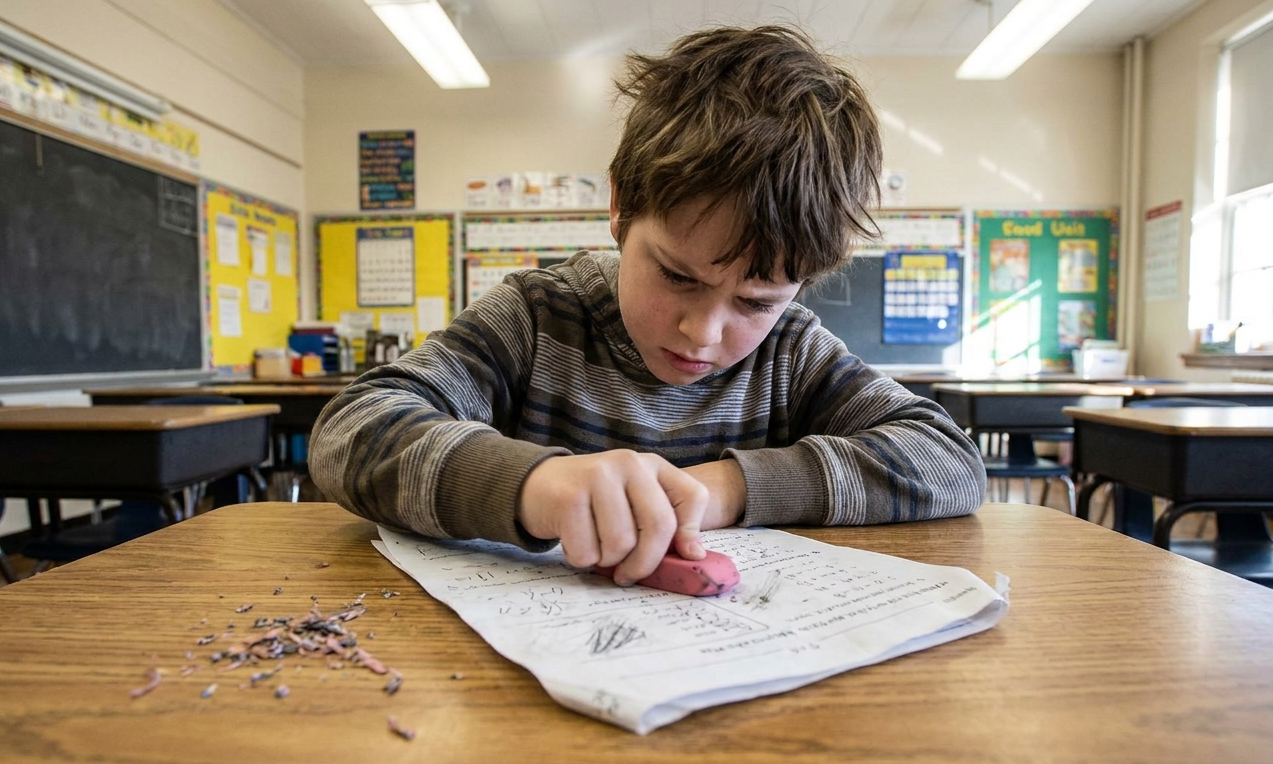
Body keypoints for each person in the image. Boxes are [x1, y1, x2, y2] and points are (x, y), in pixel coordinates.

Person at [310, 25, 986, 588]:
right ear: (619, 207)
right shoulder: (534, 319)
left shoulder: (792, 352)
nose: (703, 331)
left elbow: (950, 462)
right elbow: (350, 434)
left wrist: (727, 488)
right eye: (677, 276)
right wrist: (532, 485)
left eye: (755, 300)